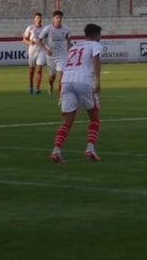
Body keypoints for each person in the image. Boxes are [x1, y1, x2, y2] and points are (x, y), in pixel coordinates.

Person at [50, 23, 104, 163]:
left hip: (66, 82)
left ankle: (56, 150)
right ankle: (90, 148)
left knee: (67, 122)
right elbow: (96, 60)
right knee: (94, 117)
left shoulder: (75, 46)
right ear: (96, 35)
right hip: (83, 81)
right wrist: (97, 81)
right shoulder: (95, 45)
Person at [39, 10, 72, 97]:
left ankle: (60, 95)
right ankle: (50, 84)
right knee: (52, 77)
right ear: (53, 19)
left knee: (61, 75)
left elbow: (69, 41)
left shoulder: (66, 29)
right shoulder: (47, 29)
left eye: (60, 18)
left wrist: (69, 50)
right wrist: (46, 50)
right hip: (51, 55)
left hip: (62, 55)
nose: (59, 19)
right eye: (57, 17)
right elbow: (39, 41)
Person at [23, 12, 46, 95]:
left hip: (41, 51)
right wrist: (30, 42)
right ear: (34, 19)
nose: (39, 20)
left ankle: (37, 88)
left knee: (39, 69)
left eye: (40, 18)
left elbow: (47, 40)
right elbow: (24, 39)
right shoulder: (30, 28)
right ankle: (31, 86)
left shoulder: (44, 29)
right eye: (37, 18)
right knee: (31, 70)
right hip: (32, 51)